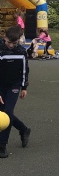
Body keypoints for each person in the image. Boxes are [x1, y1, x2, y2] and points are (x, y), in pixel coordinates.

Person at [0, 26, 30, 158]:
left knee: (7, 112)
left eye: (14, 43)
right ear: (4, 37)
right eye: (8, 42)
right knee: (2, 112)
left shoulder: (21, 52)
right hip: (1, 84)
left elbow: (24, 70)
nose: (11, 45)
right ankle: (23, 129)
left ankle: (2, 146)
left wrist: (24, 87)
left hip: (14, 85)